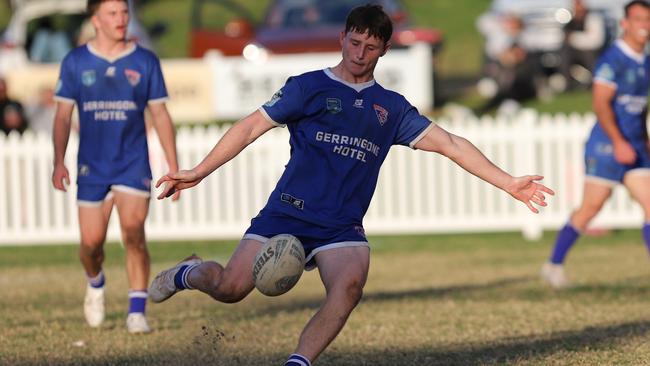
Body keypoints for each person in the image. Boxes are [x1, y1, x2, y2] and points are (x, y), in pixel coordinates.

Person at [150, 4, 554, 365]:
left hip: (341, 225)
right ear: (342, 38)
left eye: (370, 47)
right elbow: (251, 126)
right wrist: (199, 170)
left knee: (349, 287)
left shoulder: (391, 108)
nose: (359, 54)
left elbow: (450, 143)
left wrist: (508, 183)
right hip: (287, 211)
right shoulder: (308, 87)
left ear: (384, 51)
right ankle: (188, 272)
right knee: (229, 288)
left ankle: (299, 362)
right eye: (354, 42)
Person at [51, 0, 180, 333]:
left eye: (124, 12)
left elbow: (161, 115)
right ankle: (95, 283)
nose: (121, 19)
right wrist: (58, 162)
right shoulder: (76, 62)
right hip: (92, 167)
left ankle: (137, 311)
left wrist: (175, 165)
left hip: (132, 163)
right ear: (95, 19)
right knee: (91, 245)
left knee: (134, 233)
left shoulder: (145, 60)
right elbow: (63, 116)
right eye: (112, 13)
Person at [542, 0, 650, 289]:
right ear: (625, 23)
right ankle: (554, 264)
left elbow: (640, 109)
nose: (644, 25)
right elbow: (601, 105)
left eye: (648, 20)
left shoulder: (646, 61)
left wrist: (644, 142)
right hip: (607, 145)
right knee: (591, 207)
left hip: (636, 146)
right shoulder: (612, 60)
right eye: (638, 19)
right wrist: (618, 142)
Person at [559, 0, 607, 91]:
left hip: (593, 51)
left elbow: (595, 41)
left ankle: (594, 83)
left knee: (588, 54)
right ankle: (568, 84)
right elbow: (565, 39)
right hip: (576, 52)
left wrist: (574, 37)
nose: (578, 8)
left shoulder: (593, 18)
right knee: (564, 52)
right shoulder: (570, 21)